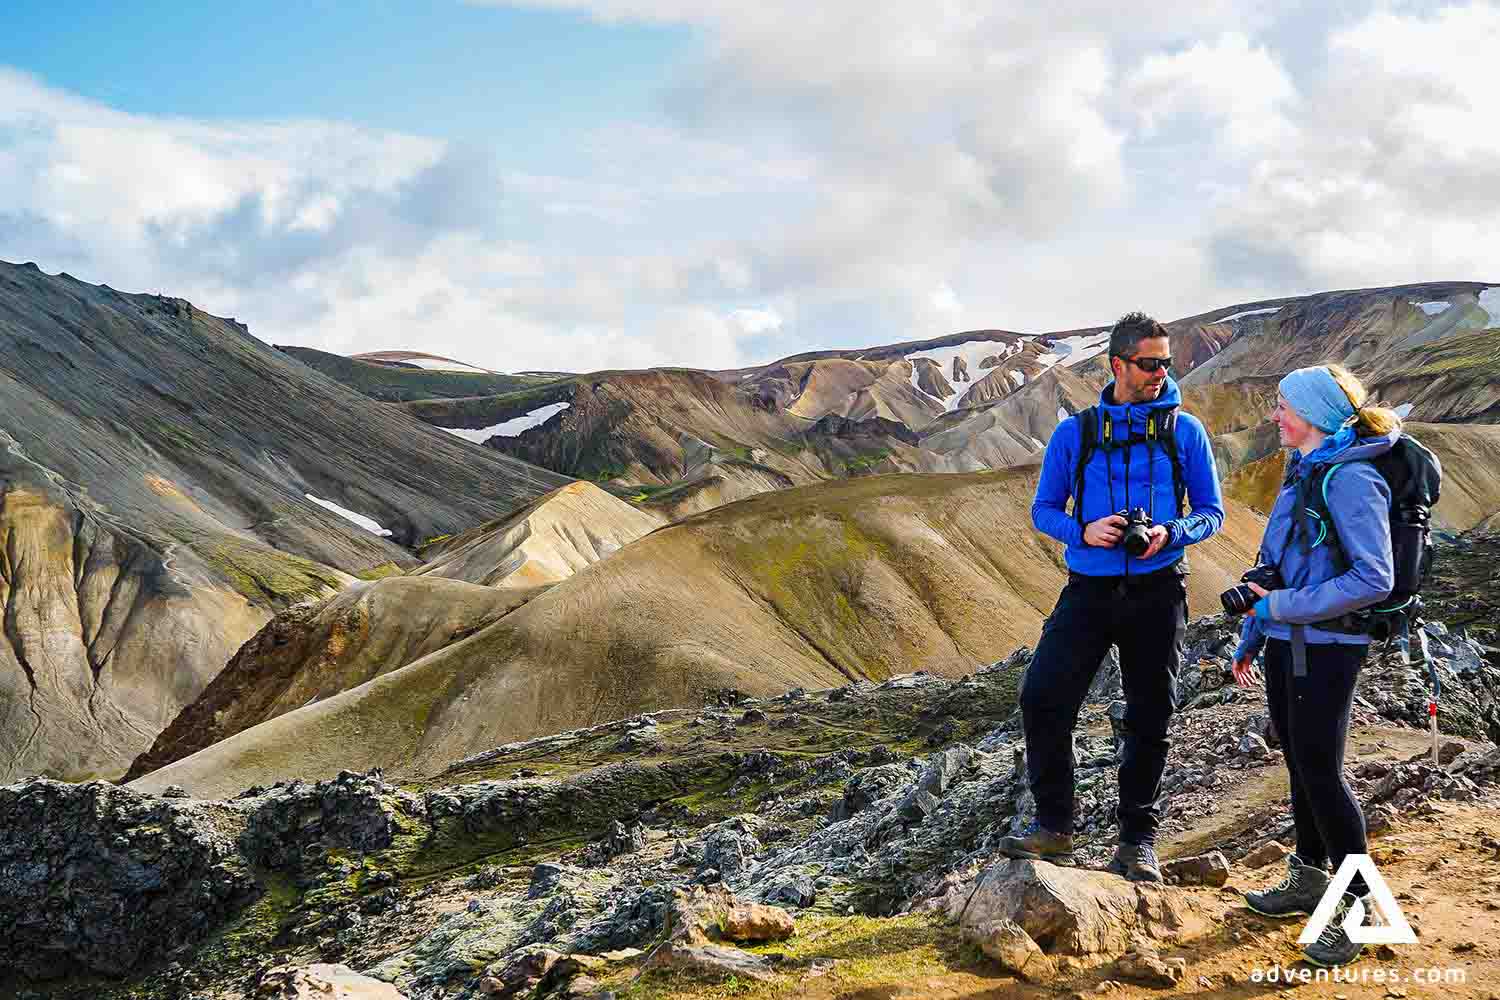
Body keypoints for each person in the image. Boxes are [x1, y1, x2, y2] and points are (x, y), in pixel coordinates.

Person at [999, 311, 1225, 882]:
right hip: (1090, 591)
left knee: (1151, 715)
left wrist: (1170, 533)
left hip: (1159, 591)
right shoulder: (1076, 433)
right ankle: (1054, 829)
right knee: (1043, 697)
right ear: (1118, 363)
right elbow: (1043, 509)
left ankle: (1136, 844)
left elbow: (1211, 512)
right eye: (1150, 363)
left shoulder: (1185, 432)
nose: (1160, 373)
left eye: (1166, 363)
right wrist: (1085, 531)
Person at [1230, 364, 1399, 968]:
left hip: (1327, 648)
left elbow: (1372, 578)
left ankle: (1360, 913)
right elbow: (1277, 565)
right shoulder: (1303, 472)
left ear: (1317, 415)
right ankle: (1307, 877)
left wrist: (1278, 606)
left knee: (1322, 773)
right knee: (1300, 764)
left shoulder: (1350, 480)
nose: (1274, 416)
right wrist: (1256, 627)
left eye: (1283, 406)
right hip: (1289, 641)